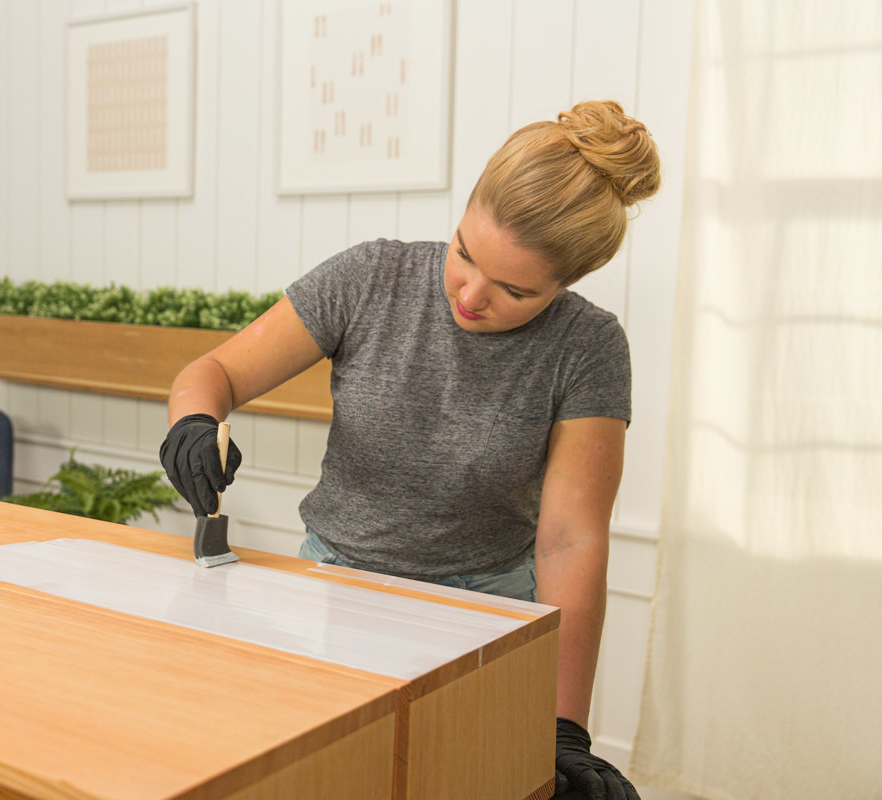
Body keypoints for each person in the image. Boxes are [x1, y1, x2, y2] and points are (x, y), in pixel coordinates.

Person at [160, 99, 659, 800]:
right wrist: (192, 422)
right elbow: (214, 373)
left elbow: (570, 542)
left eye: (513, 289)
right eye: (464, 252)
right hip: (334, 592)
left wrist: (563, 727)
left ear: (565, 284)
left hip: (486, 617)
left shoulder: (588, 347)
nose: (470, 294)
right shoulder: (371, 280)